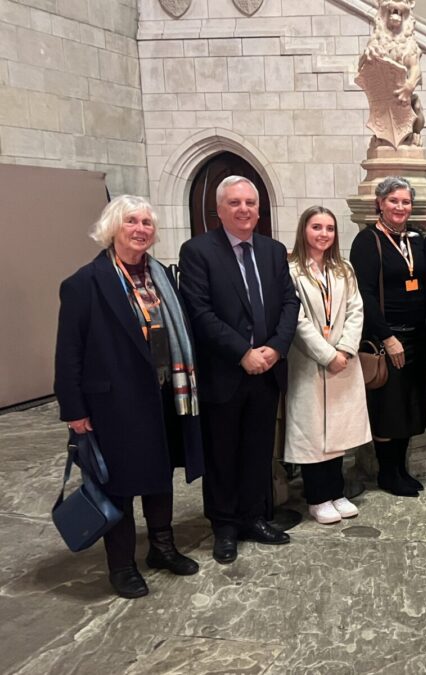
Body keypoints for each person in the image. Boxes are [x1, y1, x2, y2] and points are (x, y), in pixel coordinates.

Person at [54, 196, 204, 598]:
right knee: (116, 483)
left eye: (147, 224)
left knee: (159, 478)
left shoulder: (161, 278)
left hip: (164, 395)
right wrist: (75, 411)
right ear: (112, 229)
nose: (141, 230)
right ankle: (121, 566)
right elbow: (68, 354)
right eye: (131, 222)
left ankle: (162, 547)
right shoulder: (84, 283)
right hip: (113, 403)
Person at [179, 176, 299, 564]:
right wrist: (243, 353)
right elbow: (199, 312)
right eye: (235, 202)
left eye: (250, 202)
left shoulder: (274, 250)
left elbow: (289, 304)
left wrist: (276, 349)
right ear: (220, 209)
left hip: (267, 370)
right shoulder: (198, 251)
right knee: (223, 453)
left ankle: (253, 518)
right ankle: (225, 527)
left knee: (257, 449)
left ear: (259, 209)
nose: (244, 209)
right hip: (225, 373)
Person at [285, 206, 371, 524]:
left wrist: (346, 350)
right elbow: (297, 320)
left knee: (338, 430)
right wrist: (327, 354)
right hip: (310, 362)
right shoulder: (292, 270)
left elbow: (355, 310)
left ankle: (336, 491)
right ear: (304, 230)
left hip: (343, 360)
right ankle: (317, 497)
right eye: (317, 227)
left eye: (330, 228)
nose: (323, 234)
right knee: (312, 434)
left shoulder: (343, 269)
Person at [350, 176, 426, 497]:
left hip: (418, 336)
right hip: (388, 338)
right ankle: (387, 472)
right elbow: (364, 294)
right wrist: (387, 337)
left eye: (405, 201)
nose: (400, 206)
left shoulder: (416, 239)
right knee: (387, 408)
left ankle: (401, 469)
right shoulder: (368, 241)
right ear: (380, 204)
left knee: (410, 404)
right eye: (393, 200)